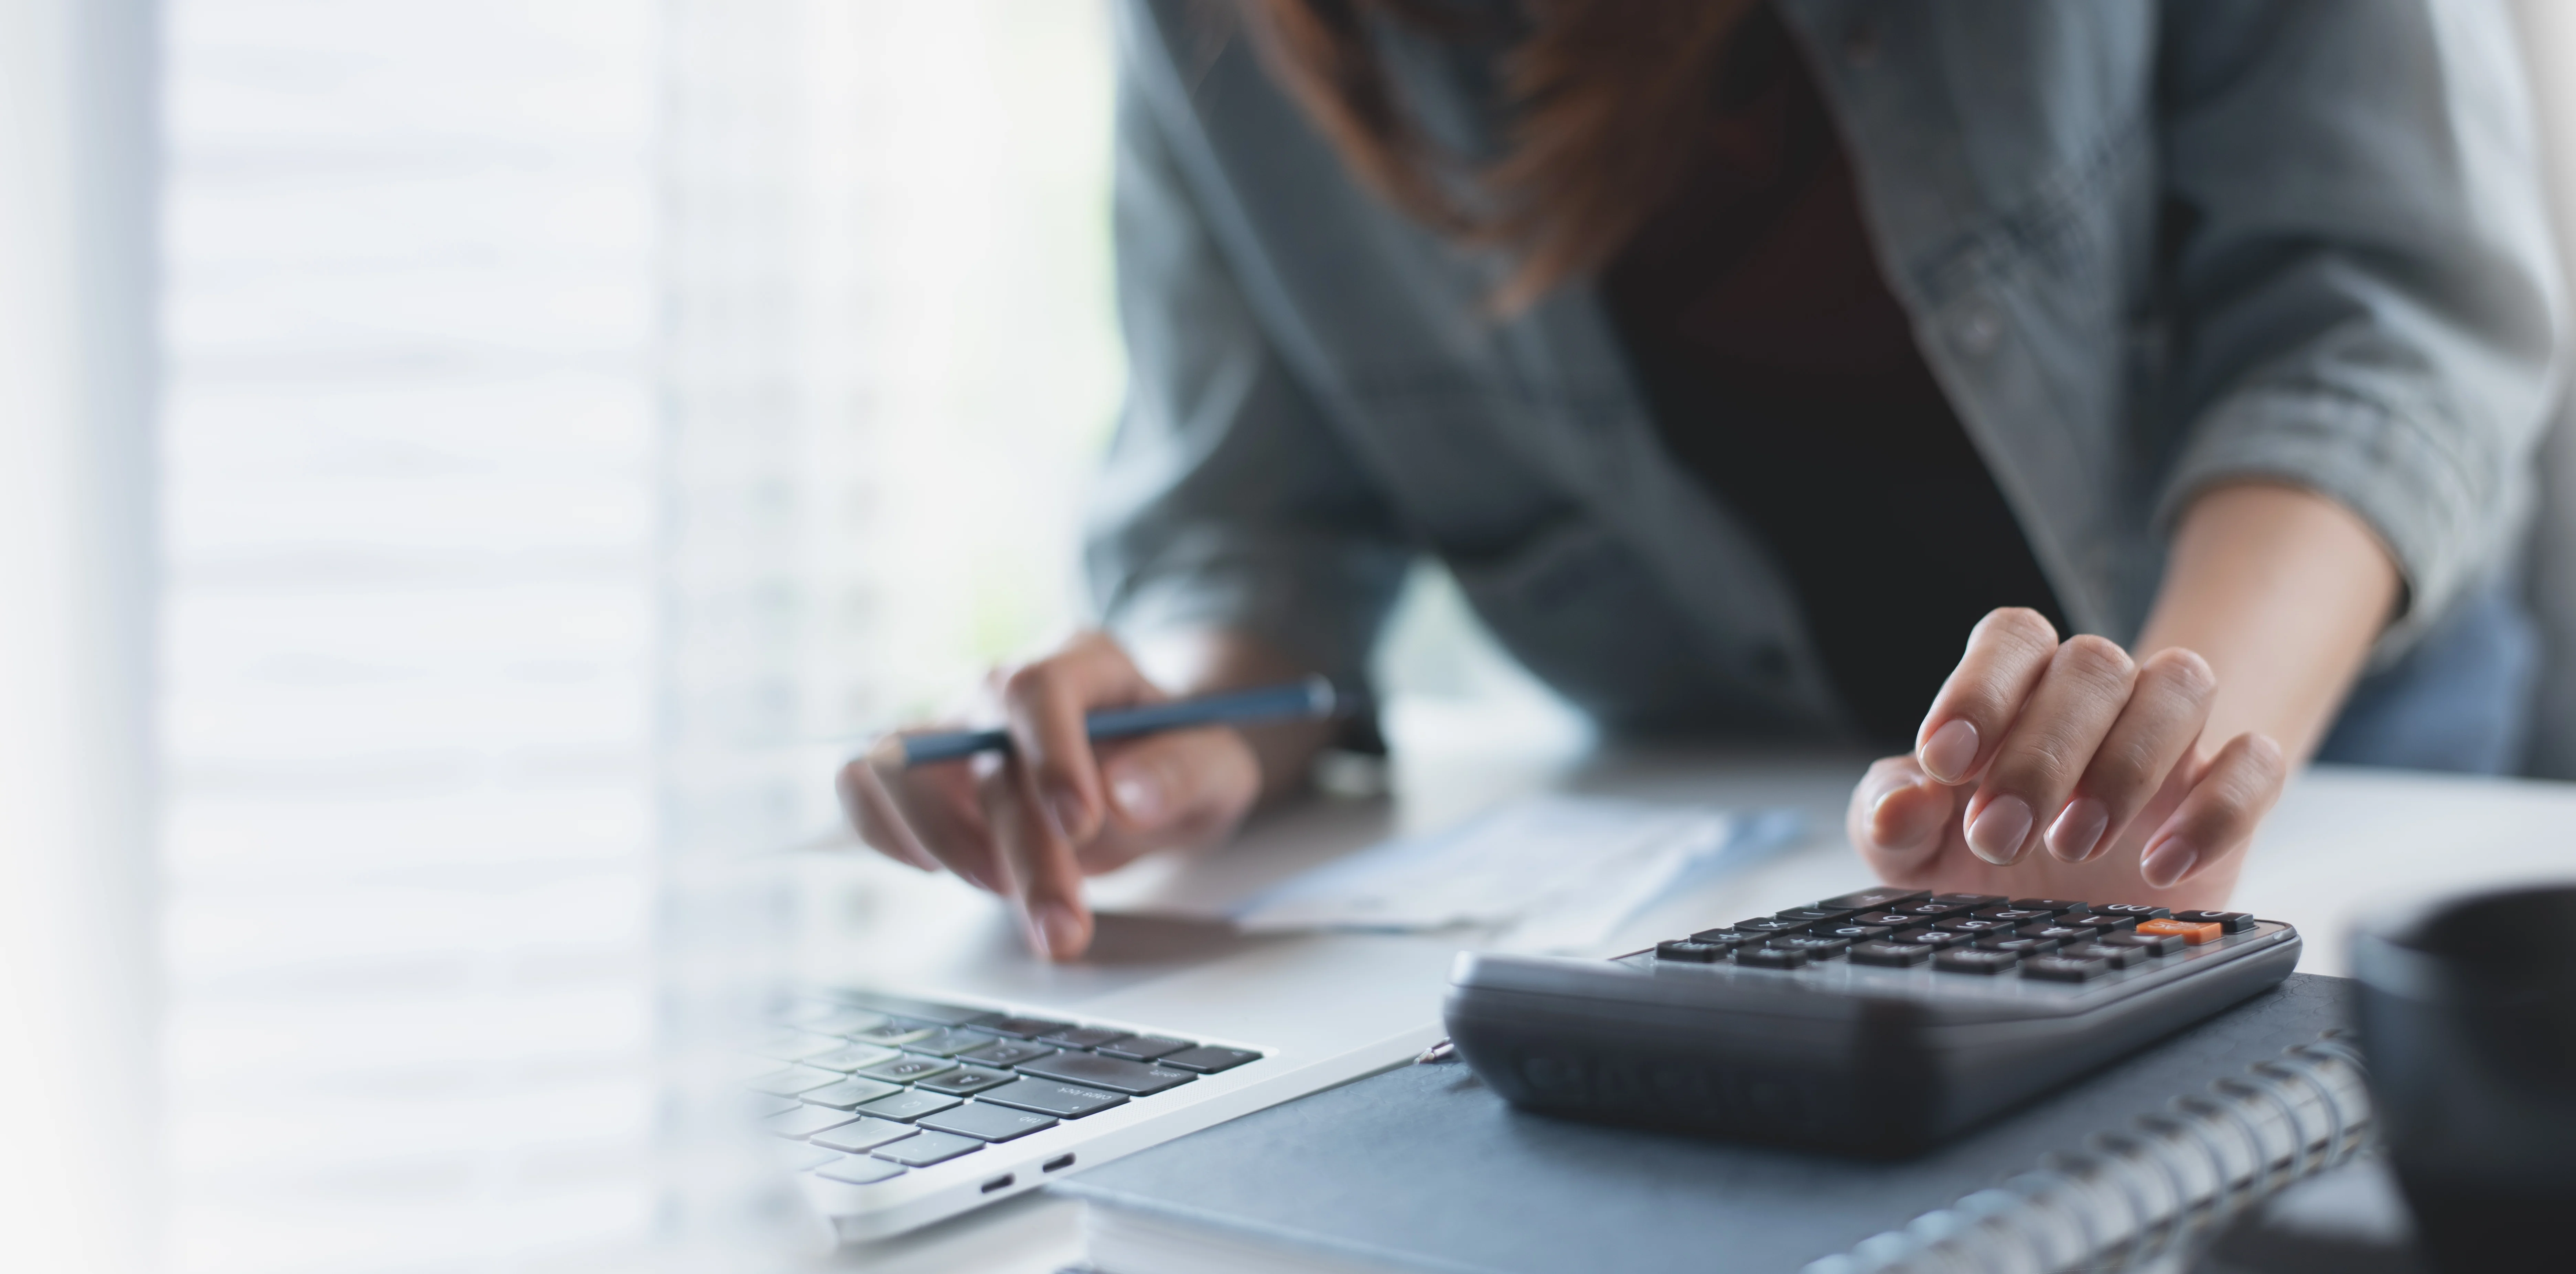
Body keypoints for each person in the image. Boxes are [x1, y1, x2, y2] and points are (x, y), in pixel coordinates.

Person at [845, 0, 2563, 961]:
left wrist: (2164, 772)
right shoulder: (1211, 37)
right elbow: (1256, 530)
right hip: (1727, 869)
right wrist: (1166, 731)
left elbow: (2380, 315)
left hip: (2343, 785)